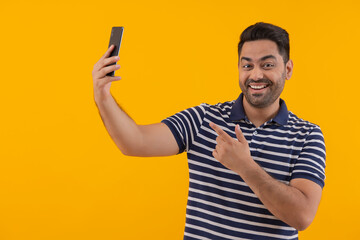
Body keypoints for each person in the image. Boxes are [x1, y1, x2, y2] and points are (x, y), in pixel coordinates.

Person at [92, 22, 326, 240]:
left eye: (267, 65)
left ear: (287, 69)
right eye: (247, 65)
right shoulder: (204, 119)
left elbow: (302, 216)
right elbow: (135, 142)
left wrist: (244, 166)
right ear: (238, 68)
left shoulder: (308, 136)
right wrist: (103, 97)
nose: (256, 75)